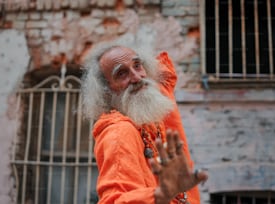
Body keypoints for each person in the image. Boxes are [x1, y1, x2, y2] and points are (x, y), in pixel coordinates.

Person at [81, 41, 208, 204]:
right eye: (121, 74)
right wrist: (159, 195)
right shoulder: (119, 132)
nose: (137, 77)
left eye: (137, 65)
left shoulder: (149, 105)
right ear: (107, 90)